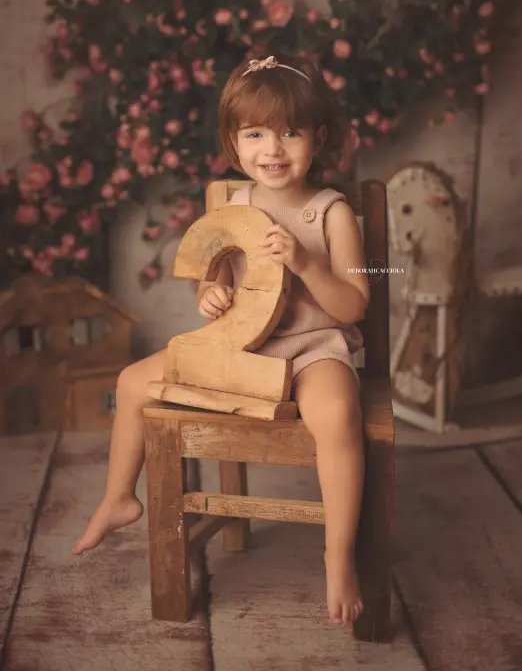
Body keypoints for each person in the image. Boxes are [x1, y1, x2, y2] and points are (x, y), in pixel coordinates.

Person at [72, 52, 370, 628]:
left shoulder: (329, 213)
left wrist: (307, 263)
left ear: (318, 137)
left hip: (312, 348)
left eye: (291, 132)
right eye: (256, 133)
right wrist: (211, 295)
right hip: (242, 349)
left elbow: (355, 303)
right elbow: (223, 285)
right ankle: (117, 498)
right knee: (133, 381)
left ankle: (339, 552)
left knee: (336, 414)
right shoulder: (236, 209)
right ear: (235, 145)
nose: (274, 149)